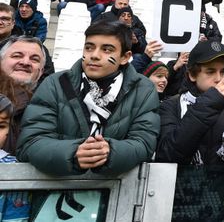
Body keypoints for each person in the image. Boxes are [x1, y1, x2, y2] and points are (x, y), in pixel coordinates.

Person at [16, 21, 160, 176]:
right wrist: (73, 154)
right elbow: (30, 142)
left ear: (125, 57)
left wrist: (110, 152)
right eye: (89, 47)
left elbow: (144, 143)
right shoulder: (55, 83)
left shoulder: (143, 89)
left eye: (107, 49)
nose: (94, 55)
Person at [156, 40, 224, 166]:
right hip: (185, 184)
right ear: (192, 74)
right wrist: (212, 101)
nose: (219, 78)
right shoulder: (170, 106)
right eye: (210, 72)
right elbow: (167, 155)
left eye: (223, 71)